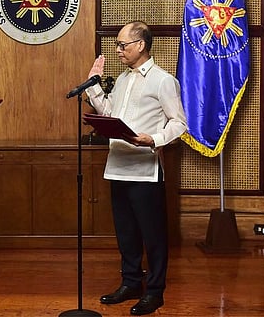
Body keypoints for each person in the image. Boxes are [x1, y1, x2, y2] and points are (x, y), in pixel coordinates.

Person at [84, 21, 187, 316]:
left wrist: (153, 139)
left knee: (152, 235)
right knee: (126, 233)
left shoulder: (163, 81)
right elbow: (110, 114)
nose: (118, 51)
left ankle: (154, 291)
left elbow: (179, 122)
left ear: (140, 45)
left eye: (122, 45)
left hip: (145, 170)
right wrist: (93, 86)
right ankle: (130, 283)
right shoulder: (122, 80)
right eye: (117, 45)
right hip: (117, 167)